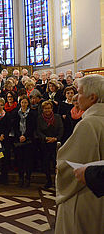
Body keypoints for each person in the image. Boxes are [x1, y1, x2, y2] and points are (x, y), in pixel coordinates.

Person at [55, 75, 104, 234]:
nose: (76, 97)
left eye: (79, 92)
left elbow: (72, 165)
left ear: (92, 97)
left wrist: (60, 164)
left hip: (86, 196)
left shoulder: (89, 124)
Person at [37, 100, 63, 188]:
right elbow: (38, 131)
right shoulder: (40, 118)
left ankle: (58, 181)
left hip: (56, 144)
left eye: (49, 108)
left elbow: (61, 129)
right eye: (45, 108)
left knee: (57, 163)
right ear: (43, 109)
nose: (47, 110)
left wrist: (55, 138)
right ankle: (48, 180)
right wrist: (45, 138)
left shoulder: (57, 117)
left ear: (52, 108)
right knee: (46, 163)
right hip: (44, 143)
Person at [12, 96, 37, 187]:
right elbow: (14, 126)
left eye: (25, 102)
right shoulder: (16, 113)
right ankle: (21, 178)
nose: (24, 104)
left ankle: (28, 178)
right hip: (18, 139)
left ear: (28, 103)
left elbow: (32, 127)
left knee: (28, 160)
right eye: (22, 102)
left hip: (29, 140)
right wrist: (20, 135)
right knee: (19, 160)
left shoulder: (32, 113)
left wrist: (25, 136)